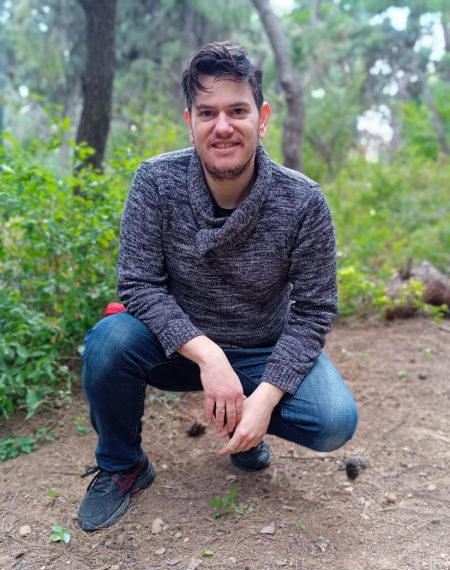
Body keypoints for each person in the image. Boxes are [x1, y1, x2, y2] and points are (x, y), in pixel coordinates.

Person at [78, 41, 358, 532]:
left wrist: (264, 399)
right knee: (107, 344)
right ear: (190, 121)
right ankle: (124, 465)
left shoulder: (303, 201)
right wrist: (209, 356)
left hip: (262, 349)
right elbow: (138, 284)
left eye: (237, 110)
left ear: (262, 118)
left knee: (334, 419)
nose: (222, 126)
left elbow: (314, 311)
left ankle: (248, 425)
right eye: (208, 113)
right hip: (176, 349)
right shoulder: (155, 182)